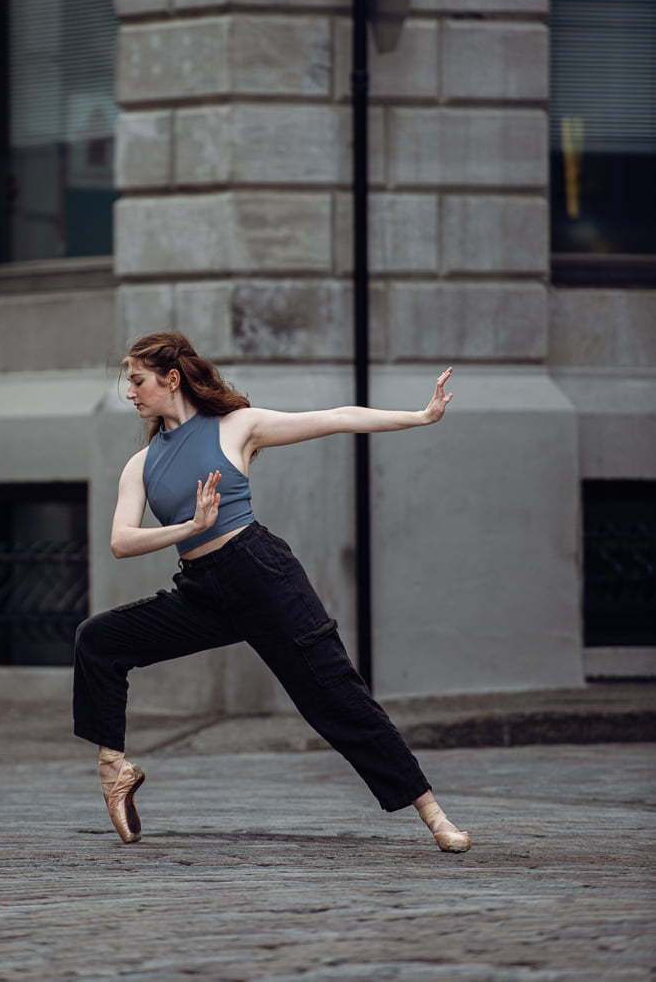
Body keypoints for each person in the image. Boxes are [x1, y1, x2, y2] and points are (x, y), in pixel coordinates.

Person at [73, 330, 471, 854]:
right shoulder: (140, 464)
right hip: (201, 592)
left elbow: (336, 417)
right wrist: (189, 528)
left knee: (336, 696)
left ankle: (434, 815)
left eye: (138, 381)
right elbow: (121, 542)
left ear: (171, 379)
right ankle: (114, 770)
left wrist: (418, 418)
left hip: (262, 578)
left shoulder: (237, 426)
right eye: (129, 382)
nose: (130, 392)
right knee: (99, 638)